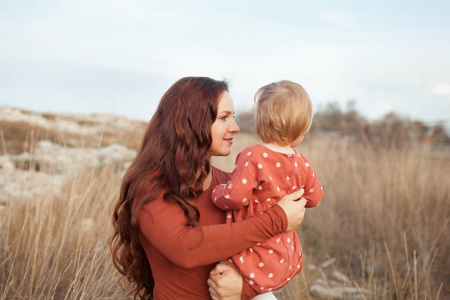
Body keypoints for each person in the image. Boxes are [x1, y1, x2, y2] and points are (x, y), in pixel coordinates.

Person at [110, 76, 308, 300]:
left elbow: (284, 257)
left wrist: (246, 289)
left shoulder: (231, 186)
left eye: (233, 117)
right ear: (191, 122)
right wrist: (277, 219)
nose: (235, 127)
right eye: (224, 117)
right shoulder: (150, 186)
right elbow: (185, 248)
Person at [211, 80, 324, 299]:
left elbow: (234, 197)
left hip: (253, 247)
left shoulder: (254, 156)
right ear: (302, 129)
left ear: (261, 123)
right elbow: (316, 197)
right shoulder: (303, 163)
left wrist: (217, 192)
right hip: (281, 250)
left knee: (222, 279)